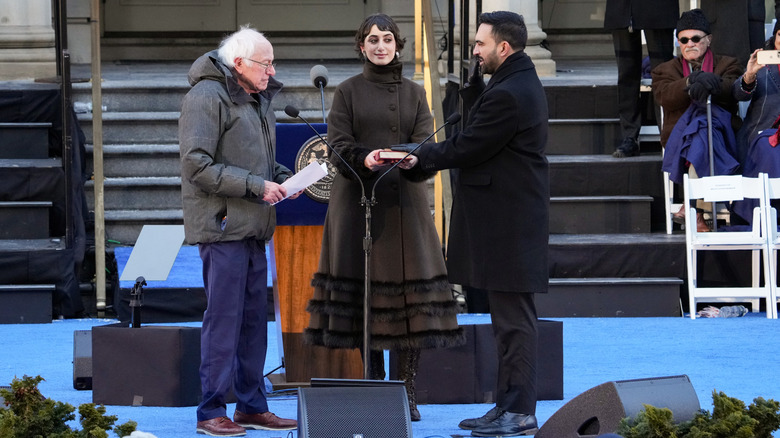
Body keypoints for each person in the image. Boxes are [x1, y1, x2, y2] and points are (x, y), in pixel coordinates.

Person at [303, 13, 465, 422]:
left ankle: (407, 391)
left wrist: (415, 158)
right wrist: (366, 158)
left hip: (405, 207)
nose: (380, 46)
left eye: (387, 39)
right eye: (372, 39)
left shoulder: (414, 93)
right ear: (361, 46)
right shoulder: (347, 92)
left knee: (409, 303)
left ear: (397, 45)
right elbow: (337, 146)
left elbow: (428, 145)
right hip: (358, 205)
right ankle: (376, 387)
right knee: (367, 298)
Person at [405, 10, 548, 437]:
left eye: (479, 44)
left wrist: (420, 156)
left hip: (508, 225)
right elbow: (477, 132)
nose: (474, 51)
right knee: (505, 322)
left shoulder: (510, 92)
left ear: (503, 47)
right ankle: (506, 405)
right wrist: (471, 89)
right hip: (505, 223)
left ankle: (519, 411)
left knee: (514, 322)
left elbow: (469, 145)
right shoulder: (507, 83)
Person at [179, 26, 298, 437]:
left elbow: (258, 162)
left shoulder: (255, 97)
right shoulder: (205, 97)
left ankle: (251, 405)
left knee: (252, 321)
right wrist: (256, 186)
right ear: (240, 63)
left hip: (253, 225)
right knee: (224, 320)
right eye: (266, 63)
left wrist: (285, 178)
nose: (272, 70)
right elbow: (196, 165)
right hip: (224, 225)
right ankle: (210, 410)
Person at [652, 9, 743, 232]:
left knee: (702, 130)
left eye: (695, 38)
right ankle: (696, 210)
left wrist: (707, 81)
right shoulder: (665, 70)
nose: (689, 44)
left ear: (708, 39)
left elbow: (732, 88)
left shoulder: (728, 64)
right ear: (678, 42)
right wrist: (692, 80)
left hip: (722, 133)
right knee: (700, 130)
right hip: (679, 137)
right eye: (683, 39)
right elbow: (665, 96)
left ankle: (693, 208)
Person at [604, 0, 678, 158]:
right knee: (626, 74)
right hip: (622, 9)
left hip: (659, 9)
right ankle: (629, 136)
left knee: (663, 74)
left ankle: (669, 133)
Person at [730, 21, 780, 224]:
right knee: (769, 149)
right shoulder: (764, 67)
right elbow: (738, 94)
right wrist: (749, 75)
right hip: (763, 137)